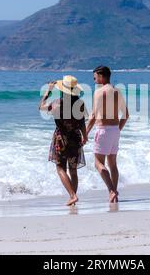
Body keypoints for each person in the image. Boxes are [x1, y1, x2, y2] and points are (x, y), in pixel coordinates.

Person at [39, 75, 88, 206]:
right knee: (73, 170)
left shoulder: (56, 103)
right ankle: (73, 197)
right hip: (76, 138)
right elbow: (82, 122)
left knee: (60, 168)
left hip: (61, 139)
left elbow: (41, 107)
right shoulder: (80, 104)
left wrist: (47, 91)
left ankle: (72, 195)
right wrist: (85, 136)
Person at [86, 66, 129, 203]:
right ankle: (114, 195)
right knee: (113, 164)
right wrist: (117, 130)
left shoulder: (99, 92)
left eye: (95, 77)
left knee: (98, 163)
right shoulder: (117, 92)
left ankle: (111, 191)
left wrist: (84, 133)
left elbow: (92, 116)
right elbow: (126, 115)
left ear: (101, 76)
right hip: (115, 130)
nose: (94, 80)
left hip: (103, 129)